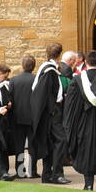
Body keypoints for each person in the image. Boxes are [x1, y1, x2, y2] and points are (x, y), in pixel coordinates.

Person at [63, 50, 96, 191]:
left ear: (85, 62)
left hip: (84, 123)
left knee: (86, 150)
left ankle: (88, 184)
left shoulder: (77, 81)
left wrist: (70, 126)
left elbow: (70, 107)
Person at [30, 43, 70, 184]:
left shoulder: (47, 68)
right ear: (59, 54)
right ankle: (56, 174)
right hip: (52, 112)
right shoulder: (49, 71)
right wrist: (52, 110)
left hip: (50, 112)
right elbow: (44, 94)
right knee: (61, 140)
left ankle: (47, 174)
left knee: (51, 142)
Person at [8, 55, 38, 178]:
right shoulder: (37, 79)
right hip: (32, 119)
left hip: (17, 118)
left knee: (19, 147)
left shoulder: (14, 80)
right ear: (34, 65)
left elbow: (9, 98)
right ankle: (32, 171)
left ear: (22, 65)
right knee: (32, 146)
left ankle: (20, 171)